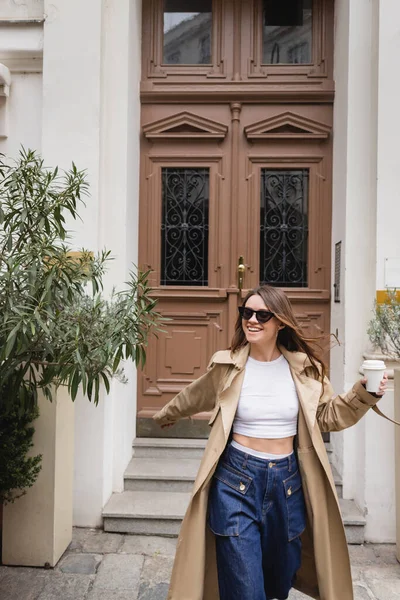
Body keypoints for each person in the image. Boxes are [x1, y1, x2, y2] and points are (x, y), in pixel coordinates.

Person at [154, 285, 389, 600]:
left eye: (262, 314)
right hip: (234, 482)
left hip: (287, 485)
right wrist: (165, 415)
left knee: (278, 582)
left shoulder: (306, 370)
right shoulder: (228, 366)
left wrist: (365, 394)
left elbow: (329, 416)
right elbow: (195, 395)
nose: (251, 320)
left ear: (280, 322)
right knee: (246, 589)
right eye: (246, 313)